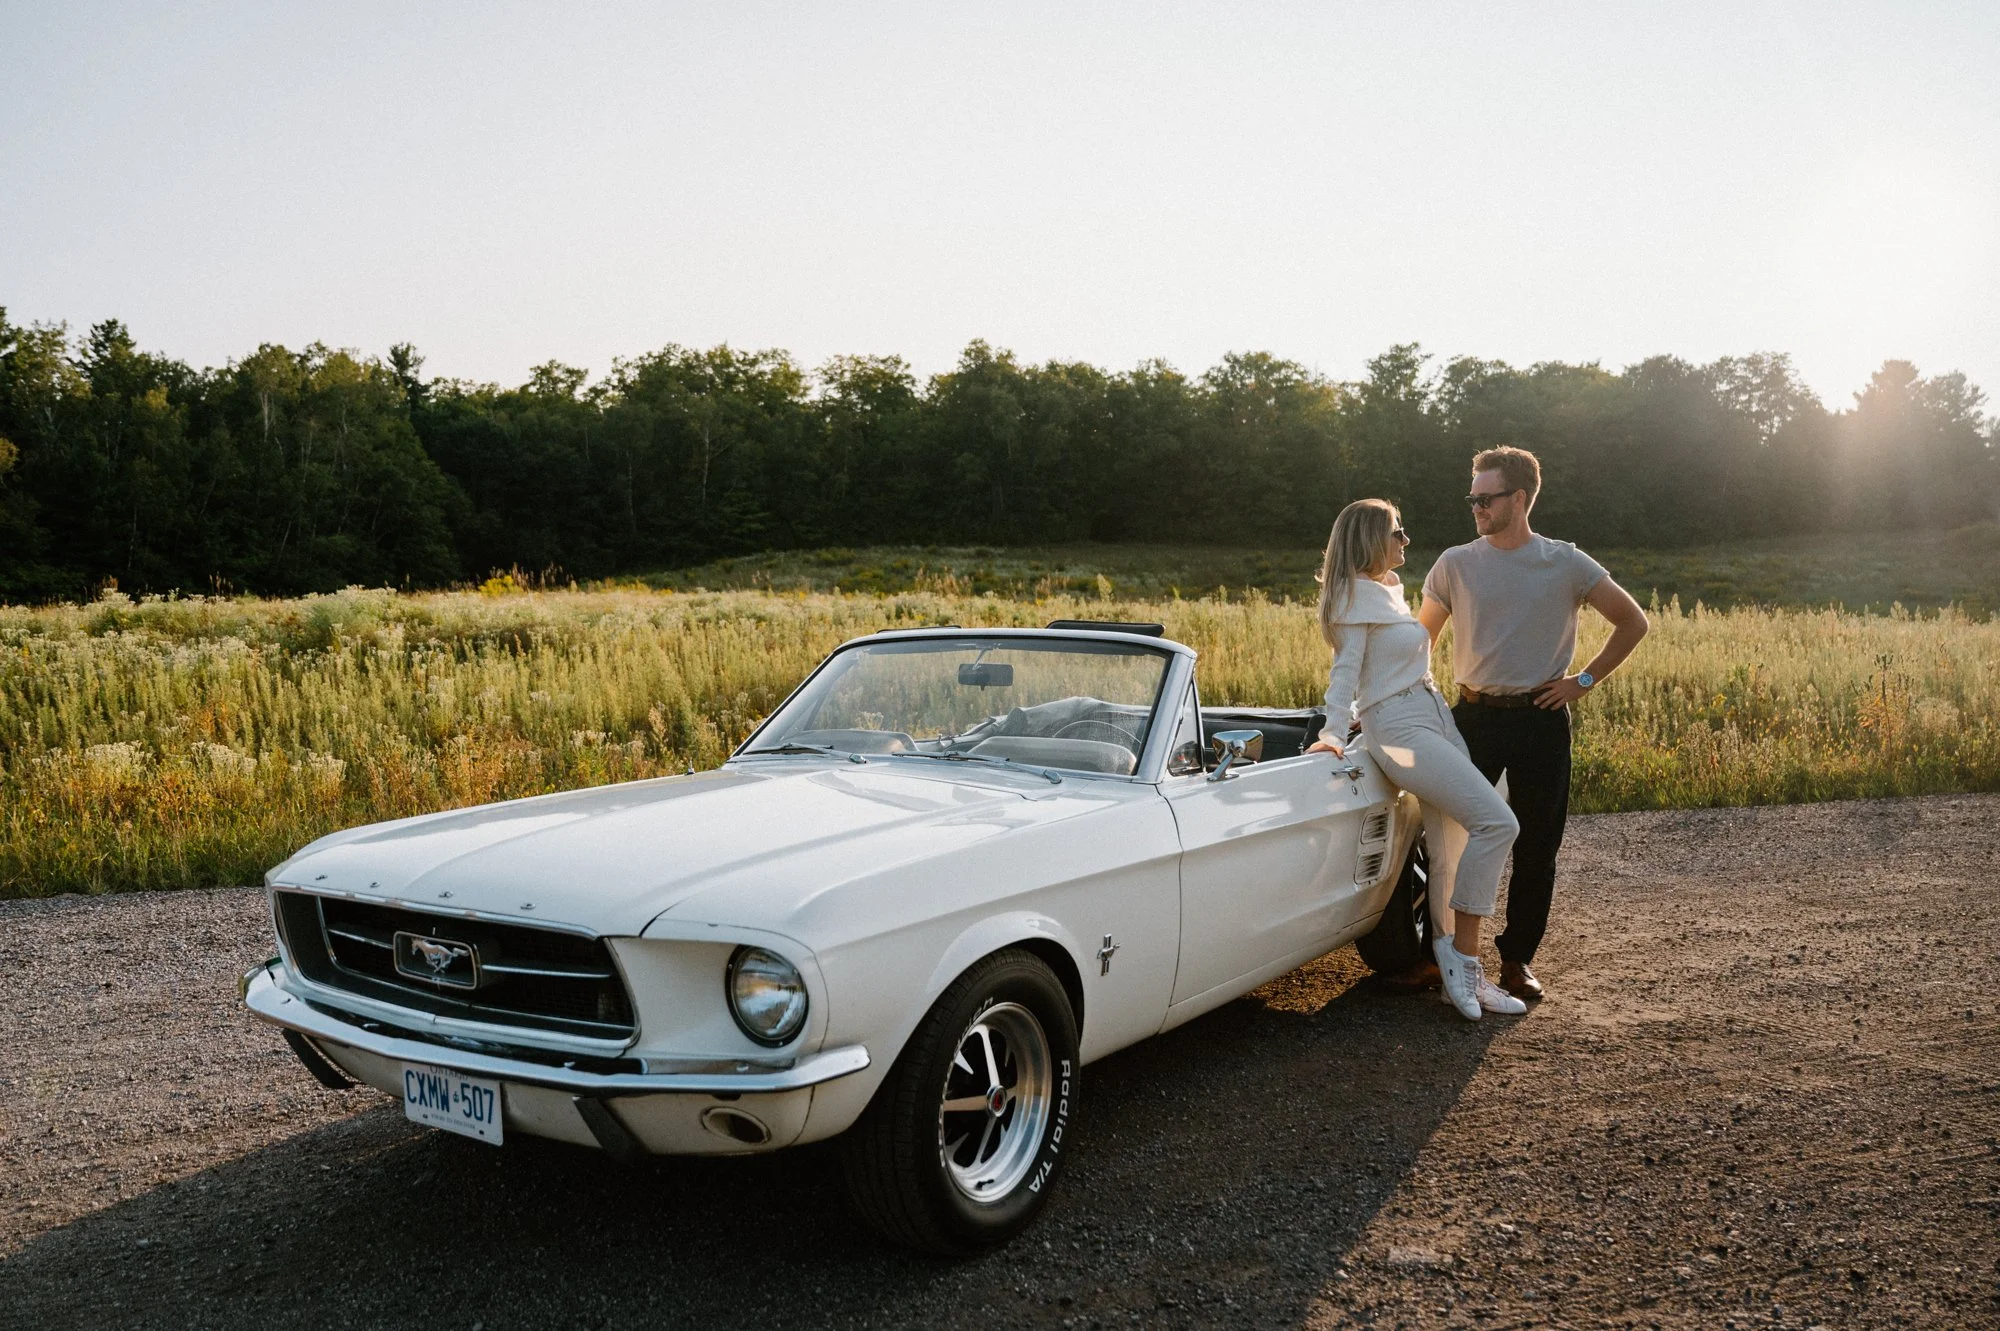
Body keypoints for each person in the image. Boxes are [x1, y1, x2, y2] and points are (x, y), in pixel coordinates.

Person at [1416, 446, 1650, 1001]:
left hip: (1541, 720)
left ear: (1519, 499)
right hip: (1470, 718)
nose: (1475, 505)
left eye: (1486, 497)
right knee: (1445, 838)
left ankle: (1516, 959)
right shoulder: (1455, 562)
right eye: (1472, 497)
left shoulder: (1565, 562)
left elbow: (1632, 621)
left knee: (1538, 845)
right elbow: (1419, 643)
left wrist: (1582, 682)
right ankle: (1441, 953)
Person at [1306, 498, 1526, 1021]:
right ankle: (1462, 960)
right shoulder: (1354, 596)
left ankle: (1458, 976)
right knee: (1498, 822)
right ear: (1369, 540)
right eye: (1396, 532)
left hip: (1433, 720)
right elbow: (1346, 671)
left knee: (1455, 839)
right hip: (1401, 732)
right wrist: (1333, 731)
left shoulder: (1387, 593)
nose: (1406, 540)